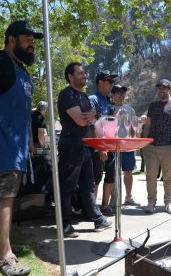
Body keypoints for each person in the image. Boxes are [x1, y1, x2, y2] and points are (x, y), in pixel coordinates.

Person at [0, 20, 43, 275]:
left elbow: (23, 111)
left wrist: (28, 141)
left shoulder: (23, 71)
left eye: (33, 39)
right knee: (5, 195)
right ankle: (5, 256)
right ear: (11, 39)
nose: (32, 43)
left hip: (17, 144)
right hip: (0, 140)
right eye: (27, 37)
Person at [57, 62, 112, 237]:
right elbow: (81, 120)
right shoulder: (67, 94)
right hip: (70, 146)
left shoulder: (84, 97)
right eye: (80, 73)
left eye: (85, 73)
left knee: (88, 185)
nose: (84, 76)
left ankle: (97, 219)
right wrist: (91, 115)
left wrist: (92, 116)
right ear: (70, 76)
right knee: (67, 187)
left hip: (85, 146)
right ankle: (64, 225)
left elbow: (92, 118)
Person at [142, 78, 171, 215]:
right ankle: (151, 202)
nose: (161, 90)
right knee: (150, 176)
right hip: (151, 147)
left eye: (164, 88)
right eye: (159, 88)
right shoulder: (153, 105)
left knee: (168, 177)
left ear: (169, 89)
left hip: (169, 147)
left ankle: (169, 203)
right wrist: (144, 143)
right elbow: (148, 124)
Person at [89, 70, 118, 216]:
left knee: (111, 176)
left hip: (110, 145)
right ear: (100, 82)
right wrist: (100, 148)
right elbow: (92, 125)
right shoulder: (92, 99)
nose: (112, 85)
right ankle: (93, 210)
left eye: (113, 82)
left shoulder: (109, 100)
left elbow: (111, 123)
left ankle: (105, 206)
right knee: (96, 178)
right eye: (109, 82)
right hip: (97, 146)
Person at [111, 84, 140, 206]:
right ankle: (114, 198)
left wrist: (134, 141)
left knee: (128, 172)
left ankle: (128, 197)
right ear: (112, 95)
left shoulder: (130, 109)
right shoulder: (109, 108)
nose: (121, 95)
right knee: (112, 173)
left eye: (123, 93)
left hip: (127, 146)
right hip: (112, 146)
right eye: (118, 92)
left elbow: (134, 129)